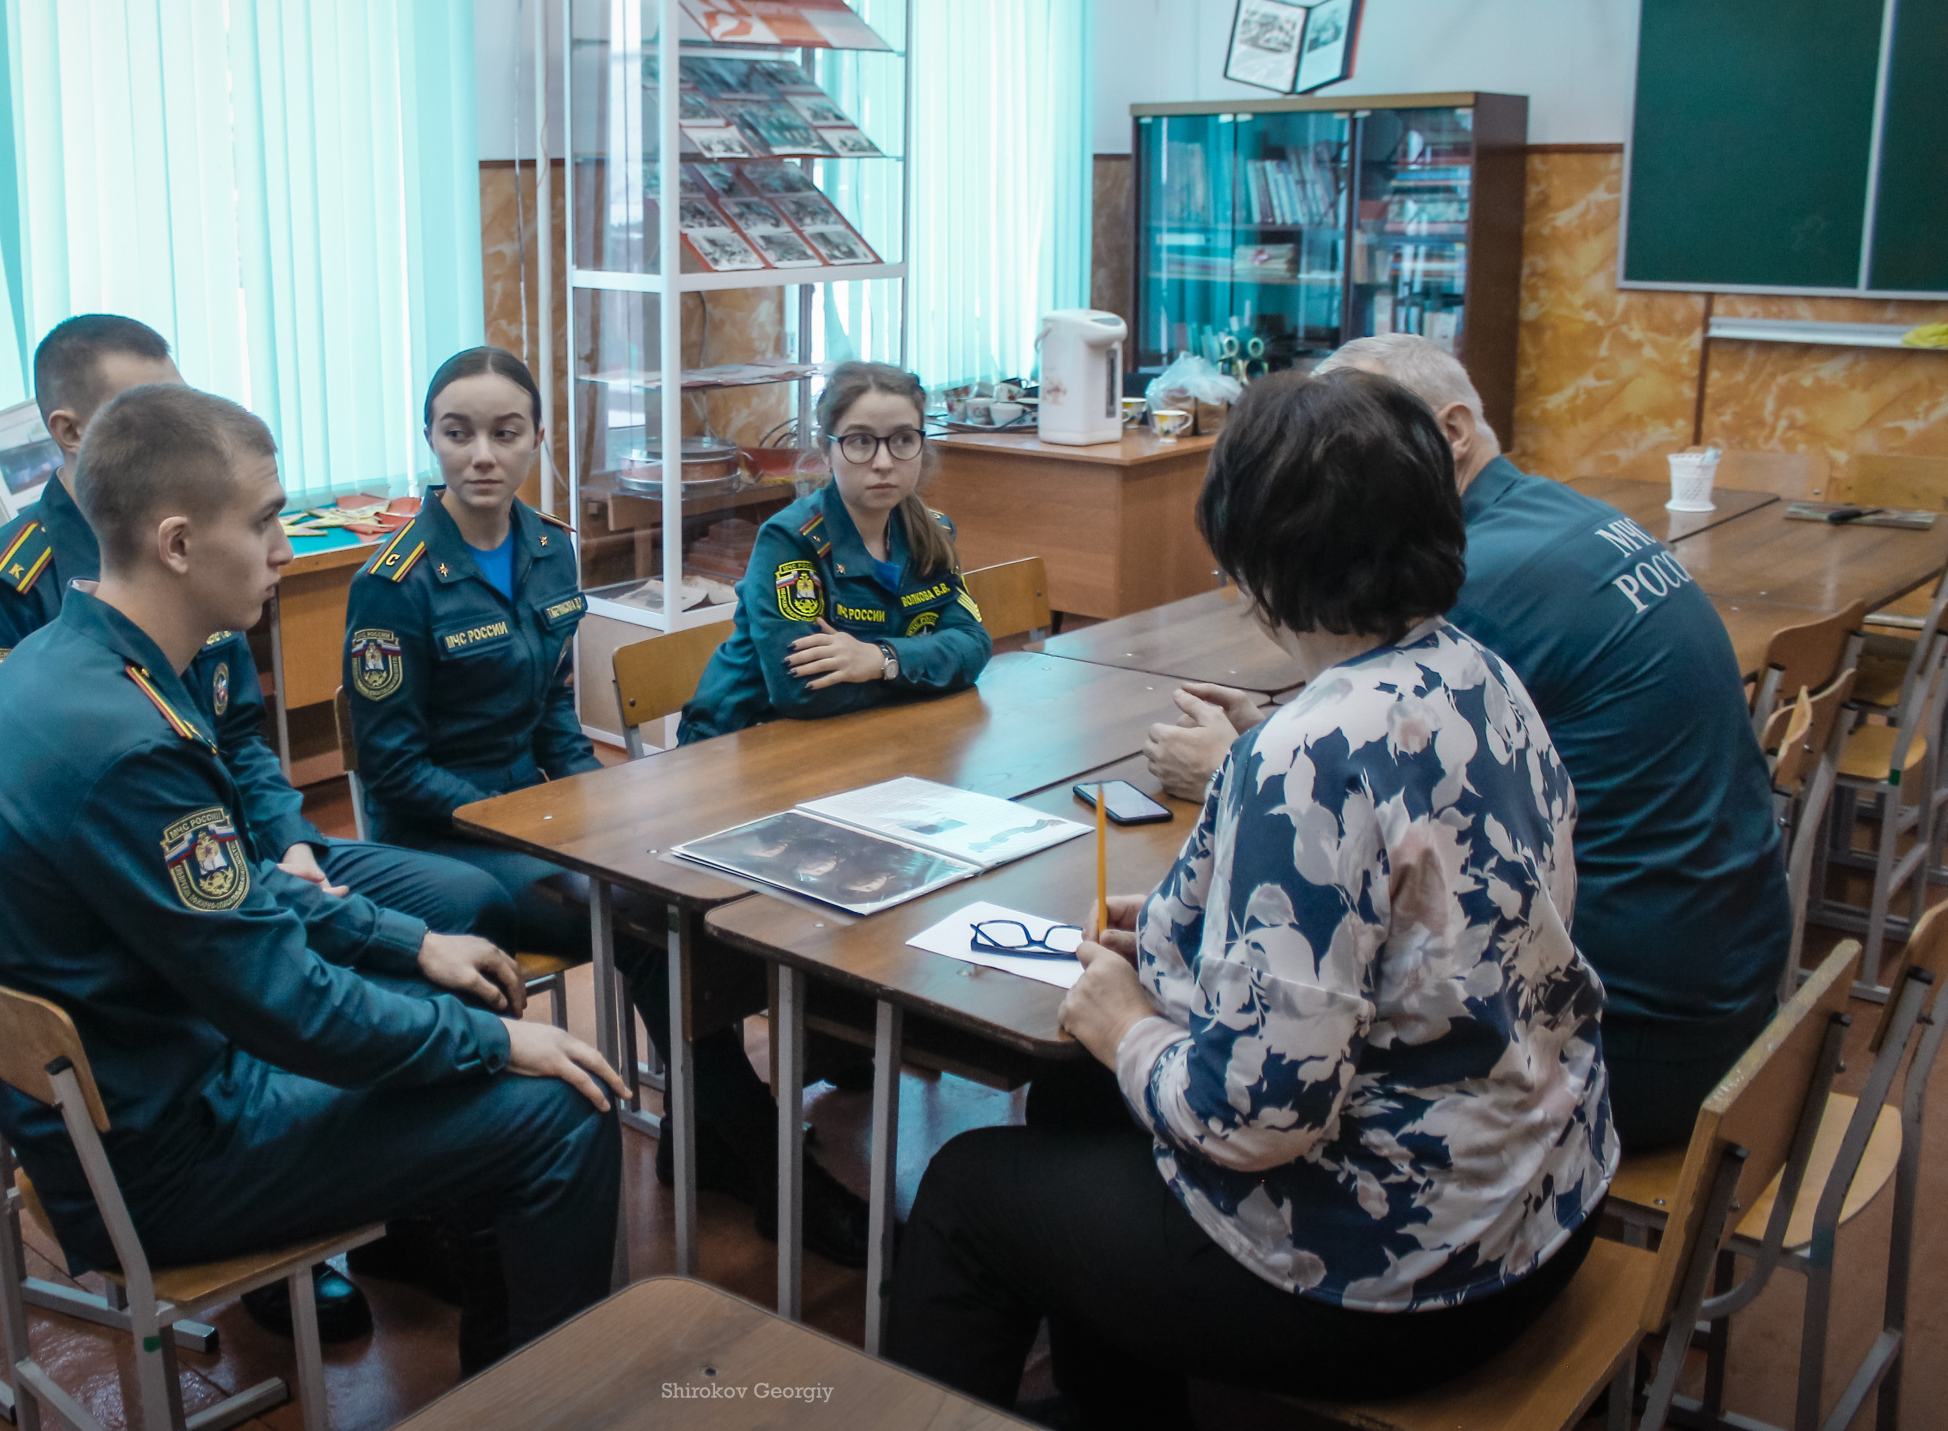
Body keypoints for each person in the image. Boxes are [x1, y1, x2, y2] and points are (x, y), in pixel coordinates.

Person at [887, 369, 1615, 1428]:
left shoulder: (1304, 755)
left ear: (1252, 559)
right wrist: (1192, 924)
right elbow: (1413, 927)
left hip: (1404, 1270)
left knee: (967, 1194)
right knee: (1074, 1102)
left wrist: (1128, 1025)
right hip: (1543, 1192)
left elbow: (1255, 1120)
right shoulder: (1481, 676)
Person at [0, 382, 626, 1374]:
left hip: (123, 1092)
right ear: (178, 544)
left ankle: (496, 1351)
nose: (284, 552)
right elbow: (286, 1005)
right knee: (561, 1108)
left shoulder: (58, 661)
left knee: (442, 989)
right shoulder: (130, 743)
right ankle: (542, 1400)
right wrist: (494, 1043)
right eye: (265, 522)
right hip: (164, 1153)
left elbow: (234, 896)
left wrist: (409, 944)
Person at [1144, 333, 1790, 1152]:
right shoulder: (1554, 523)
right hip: (1731, 985)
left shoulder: (1479, 589)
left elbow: (1350, 802)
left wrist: (1235, 771)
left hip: (1617, 1039)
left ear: (1446, 434)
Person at [342, 346, 872, 1268]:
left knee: (687, 886)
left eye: (506, 432)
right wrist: (530, 817)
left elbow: (553, 709)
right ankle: (767, 1161)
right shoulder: (393, 581)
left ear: (538, 439)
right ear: (429, 438)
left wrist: (602, 806)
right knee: (645, 919)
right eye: (458, 433)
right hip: (440, 844)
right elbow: (391, 768)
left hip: (540, 815)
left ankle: (707, 1135)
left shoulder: (550, 546)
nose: (482, 455)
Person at [680, 362, 990, 742]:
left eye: (903, 439)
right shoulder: (788, 541)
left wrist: (881, 659)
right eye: (860, 441)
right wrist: (924, 667)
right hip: (739, 741)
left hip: (867, 735)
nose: (883, 462)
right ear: (826, 452)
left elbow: (973, 646)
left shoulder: (932, 532)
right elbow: (803, 692)